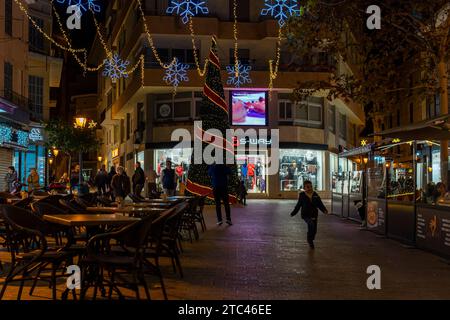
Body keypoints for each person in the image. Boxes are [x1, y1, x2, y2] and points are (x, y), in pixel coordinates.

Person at [290, 180, 329, 249]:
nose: (310, 188)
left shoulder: (315, 195)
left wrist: (324, 210)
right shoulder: (302, 195)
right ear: (304, 188)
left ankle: (311, 238)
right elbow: (298, 205)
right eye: (308, 187)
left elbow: (320, 204)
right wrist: (293, 213)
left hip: (314, 214)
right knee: (311, 225)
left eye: (311, 186)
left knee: (314, 230)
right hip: (305, 215)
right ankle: (310, 240)